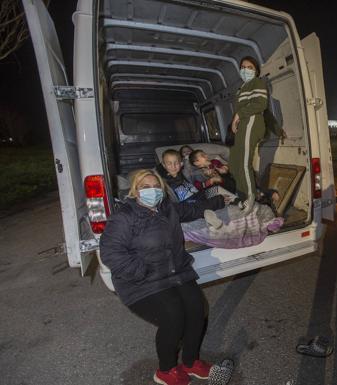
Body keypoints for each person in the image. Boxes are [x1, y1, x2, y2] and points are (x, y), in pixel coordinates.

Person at [99, 169, 233, 385]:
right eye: (144, 187)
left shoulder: (167, 208)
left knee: (197, 308)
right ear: (135, 191)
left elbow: (192, 209)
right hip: (142, 281)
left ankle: (191, 362)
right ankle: (166, 370)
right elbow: (110, 252)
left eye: (156, 186)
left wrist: (219, 201)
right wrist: (141, 271)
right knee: (173, 315)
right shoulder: (124, 217)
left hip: (175, 272)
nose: (151, 190)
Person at [230, 56, 269, 214]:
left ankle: (251, 197)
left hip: (252, 122)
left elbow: (261, 104)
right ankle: (242, 195)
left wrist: (238, 116)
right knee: (235, 163)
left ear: (256, 70)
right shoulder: (241, 88)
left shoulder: (257, 82)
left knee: (245, 162)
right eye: (243, 67)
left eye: (250, 67)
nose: (246, 70)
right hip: (244, 125)